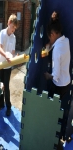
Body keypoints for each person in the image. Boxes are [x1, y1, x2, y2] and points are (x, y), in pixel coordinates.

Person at [44, 12, 71, 140]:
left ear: (53, 34)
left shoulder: (56, 50)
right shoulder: (66, 41)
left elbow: (56, 75)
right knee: (60, 109)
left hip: (59, 85)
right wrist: (49, 46)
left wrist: (48, 75)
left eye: (49, 37)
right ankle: (59, 132)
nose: (49, 39)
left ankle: (51, 134)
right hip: (67, 83)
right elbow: (59, 51)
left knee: (52, 110)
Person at [0, 14, 18, 116]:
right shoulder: (2, 33)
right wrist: (6, 55)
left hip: (8, 66)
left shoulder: (14, 37)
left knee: (6, 86)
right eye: (13, 27)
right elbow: (0, 48)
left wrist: (13, 57)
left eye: (15, 28)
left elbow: (13, 51)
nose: (14, 30)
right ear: (9, 23)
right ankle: (1, 104)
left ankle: (8, 107)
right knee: (0, 85)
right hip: (1, 64)